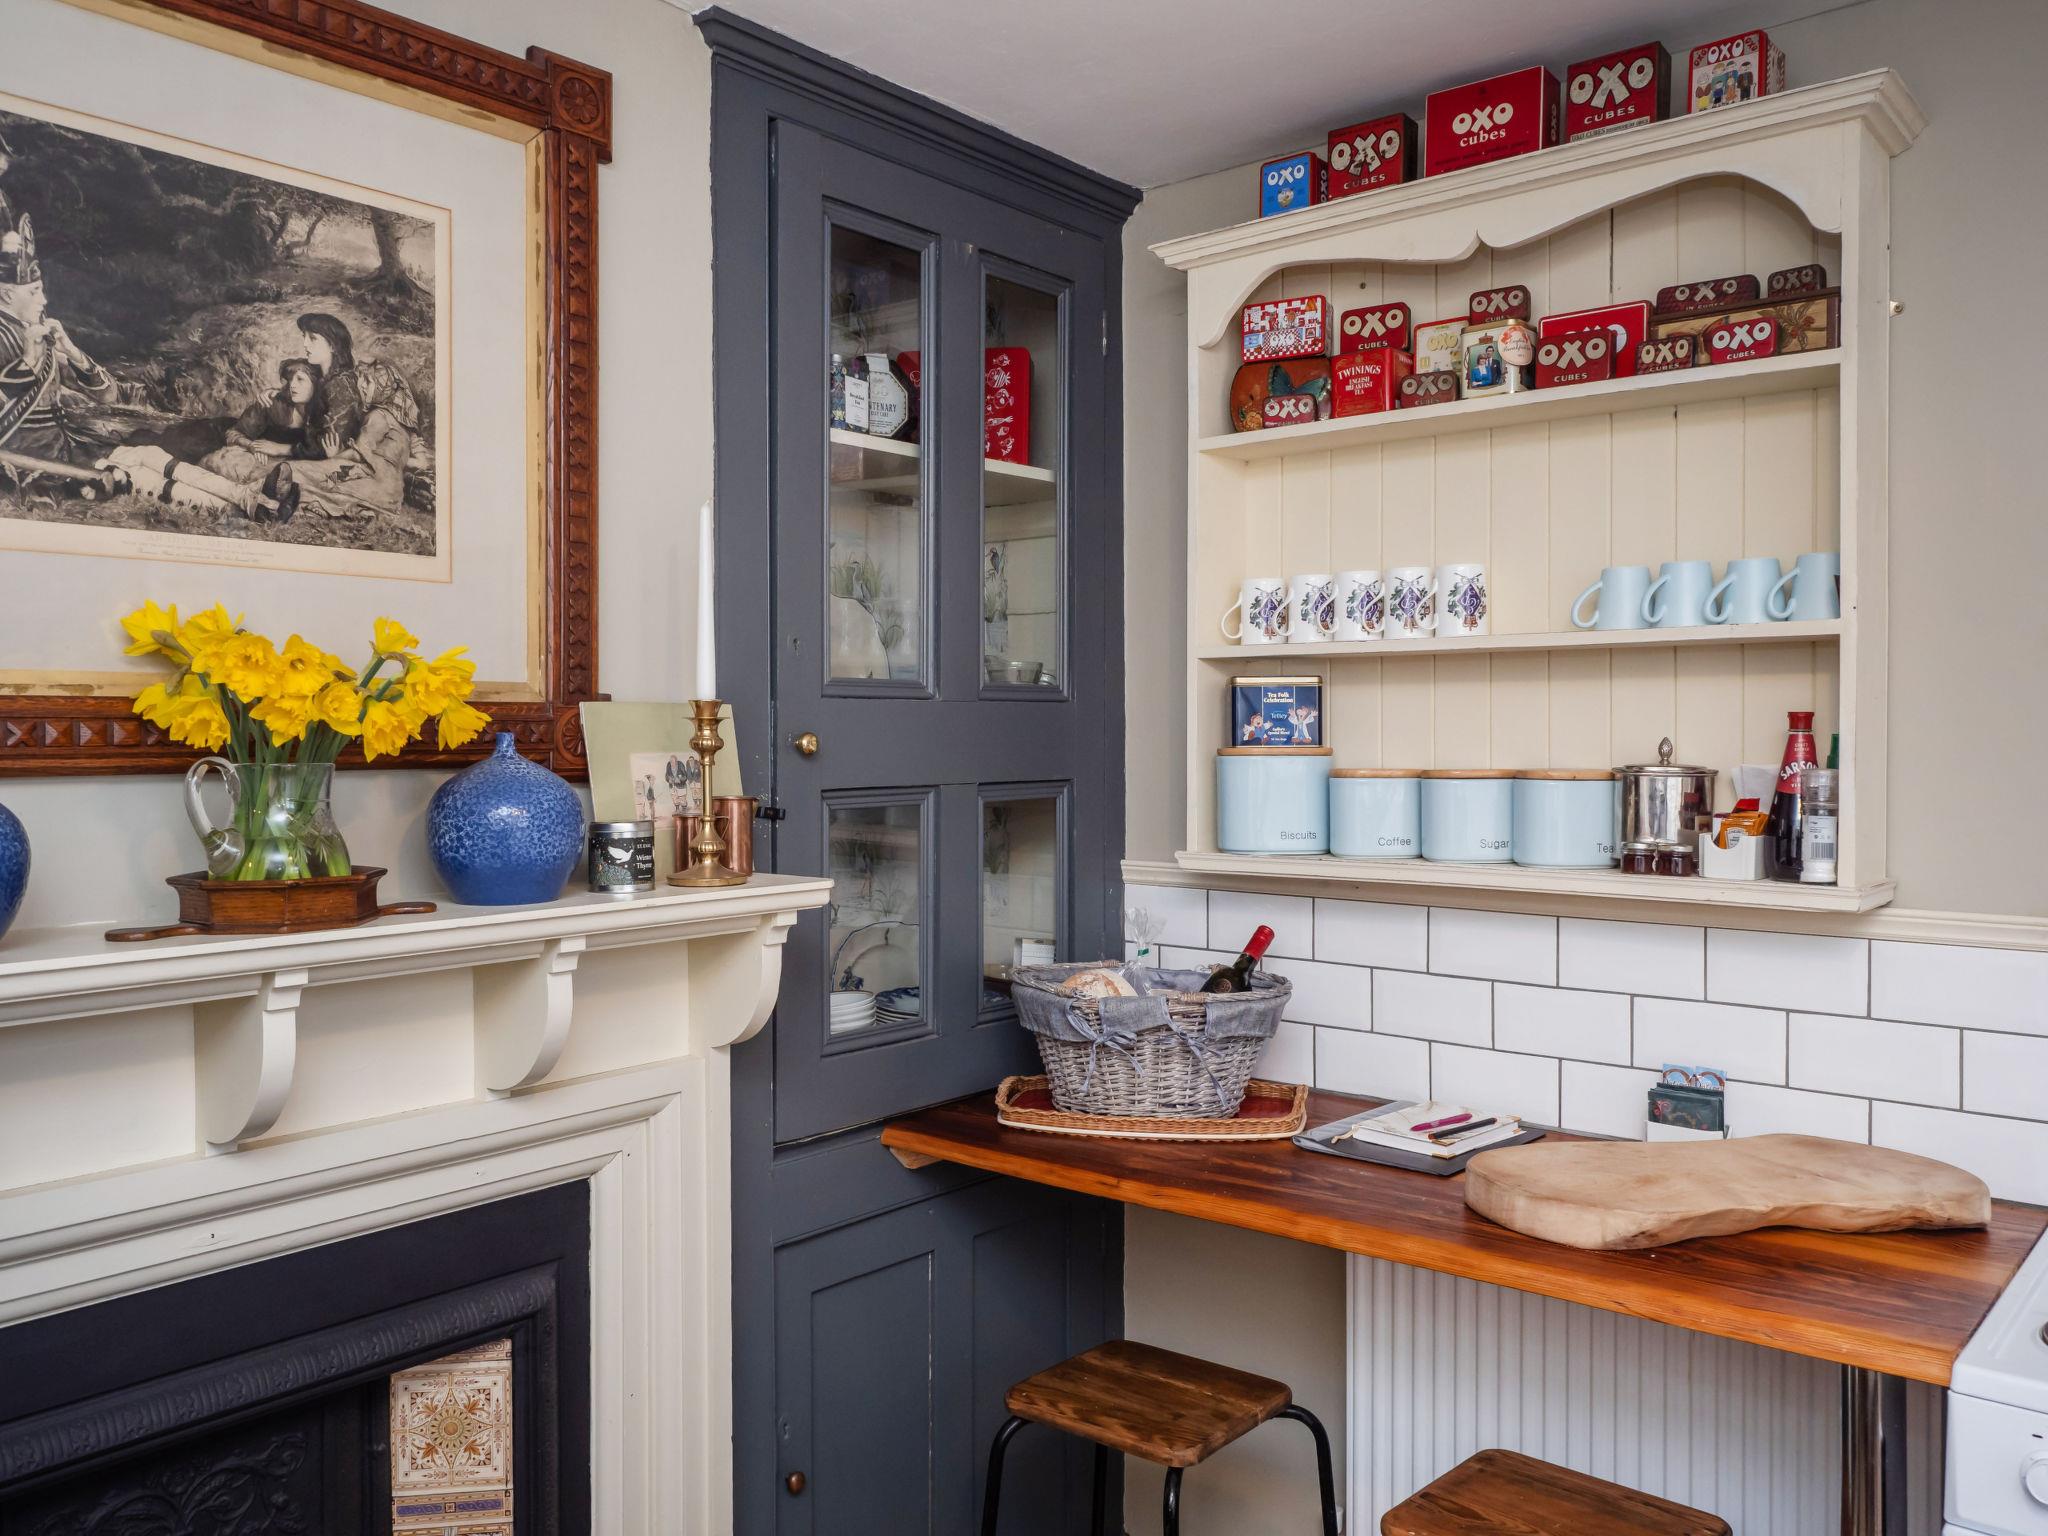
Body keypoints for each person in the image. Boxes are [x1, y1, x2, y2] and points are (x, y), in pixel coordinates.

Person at [0, 223, 117, 471]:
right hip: (27, 466)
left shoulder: (37, 333)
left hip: (65, 451)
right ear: (8, 295)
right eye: (34, 292)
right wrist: (28, 362)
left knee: (150, 458)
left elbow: (108, 396)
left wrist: (72, 352)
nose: (43, 300)